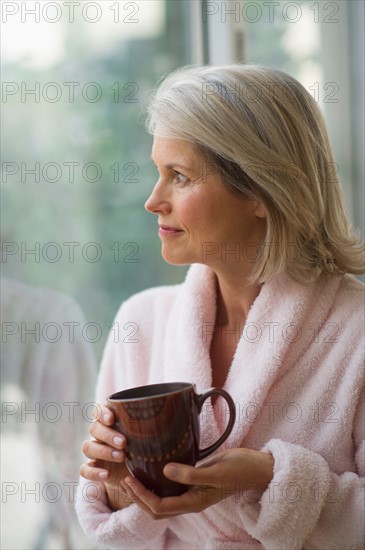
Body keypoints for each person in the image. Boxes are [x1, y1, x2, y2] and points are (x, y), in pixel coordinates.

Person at [76, 65, 365, 549]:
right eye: (157, 173)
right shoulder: (141, 323)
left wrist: (270, 477)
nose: (152, 201)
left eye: (180, 176)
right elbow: (122, 532)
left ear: (260, 191)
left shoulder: (355, 331)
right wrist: (115, 482)